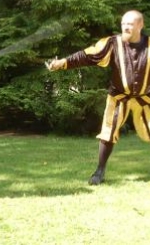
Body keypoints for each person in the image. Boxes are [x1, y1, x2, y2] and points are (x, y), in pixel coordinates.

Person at [46, 10, 150, 185]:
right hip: (118, 97)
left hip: (145, 99)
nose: (125, 27)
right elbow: (88, 55)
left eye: (130, 24)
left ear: (140, 26)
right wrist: (63, 63)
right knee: (108, 132)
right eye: (123, 23)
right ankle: (99, 172)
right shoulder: (112, 43)